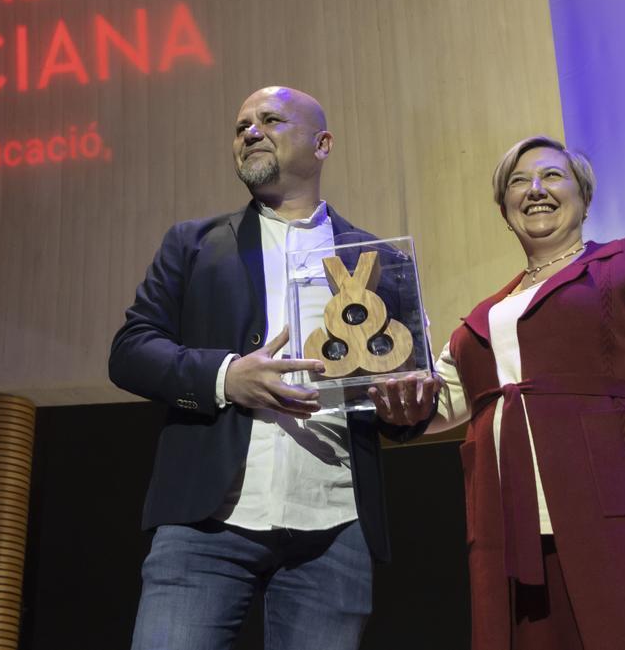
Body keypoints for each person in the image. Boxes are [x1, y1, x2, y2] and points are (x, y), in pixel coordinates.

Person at [374, 135, 625, 649]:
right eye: (518, 181)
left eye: (553, 176)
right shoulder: (481, 320)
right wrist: (386, 381)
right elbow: (440, 404)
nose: (535, 189)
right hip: (519, 545)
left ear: (584, 197)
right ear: (504, 209)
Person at [108, 86, 432, 650]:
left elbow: (400, 404)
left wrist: (409, 406)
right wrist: (226, 376)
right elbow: (131, 350)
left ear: (322, 143)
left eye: (271, 119)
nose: (250, 132)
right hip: (206, 523)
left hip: (335, 528)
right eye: (241, 126)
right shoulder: (193, 244)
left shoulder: (381, 260)